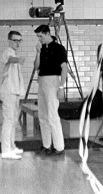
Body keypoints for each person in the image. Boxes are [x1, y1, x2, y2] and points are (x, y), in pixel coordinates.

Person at [34, 24, 67, 156]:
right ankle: (46, 144)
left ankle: (59, 147)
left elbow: (64, 68)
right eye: (38, 37)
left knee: (53, 115)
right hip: (42, 80)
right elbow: (36, 66)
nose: (39, 39)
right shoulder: (41, 48)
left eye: (40, 36)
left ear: (48, 33)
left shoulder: (59, 48)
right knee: (42, 115)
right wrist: (37, 52)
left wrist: (61, 87)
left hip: (53, 81)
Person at [0, 31, 26, 160]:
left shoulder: (14, 53)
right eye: (15, 40)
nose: (18, 43)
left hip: (14, 92)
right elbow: (10, 59)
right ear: (9, 40)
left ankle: (11, 146)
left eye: (19, 40)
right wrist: (18, 60)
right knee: (9, 120)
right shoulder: (7, 52)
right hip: (8, 91)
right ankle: (5, 150)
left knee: (13, 121)